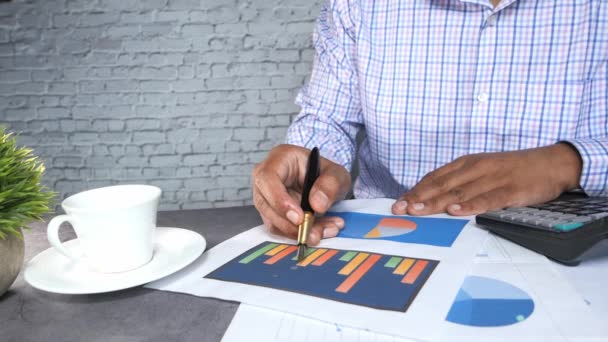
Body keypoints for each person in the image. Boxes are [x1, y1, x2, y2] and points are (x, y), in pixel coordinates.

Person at [252, 0, 608, 245]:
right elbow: (329, 119)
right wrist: (312, 165)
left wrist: (570, 162)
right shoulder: (360, 5)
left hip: (564, 245)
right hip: (390, 236)